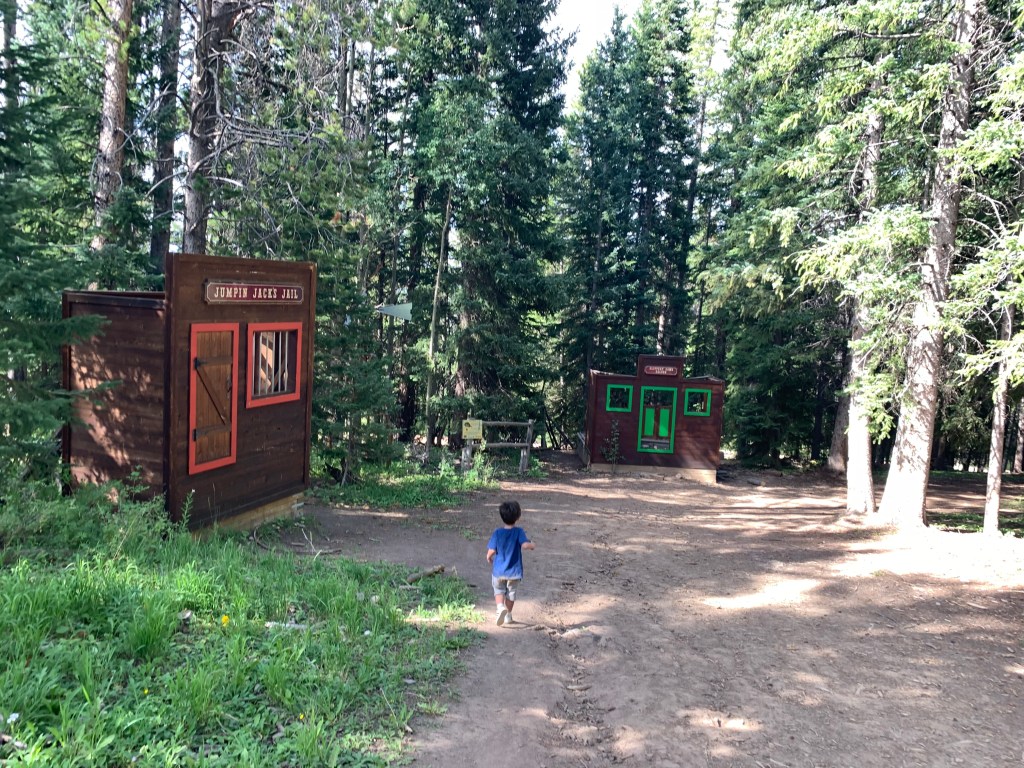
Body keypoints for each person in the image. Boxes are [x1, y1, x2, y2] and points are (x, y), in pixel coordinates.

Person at [486, 500, 535, 626]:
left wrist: (489, 557)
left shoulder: (497, 533)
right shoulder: (519, 532)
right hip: (514, 572)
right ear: (518, 517)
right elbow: (525, 545)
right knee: (511, 594)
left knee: (498, 590)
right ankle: (508, 615)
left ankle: (500, 607)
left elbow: (492, 550)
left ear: (502, 516)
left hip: (499, 571)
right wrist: (532, 545)